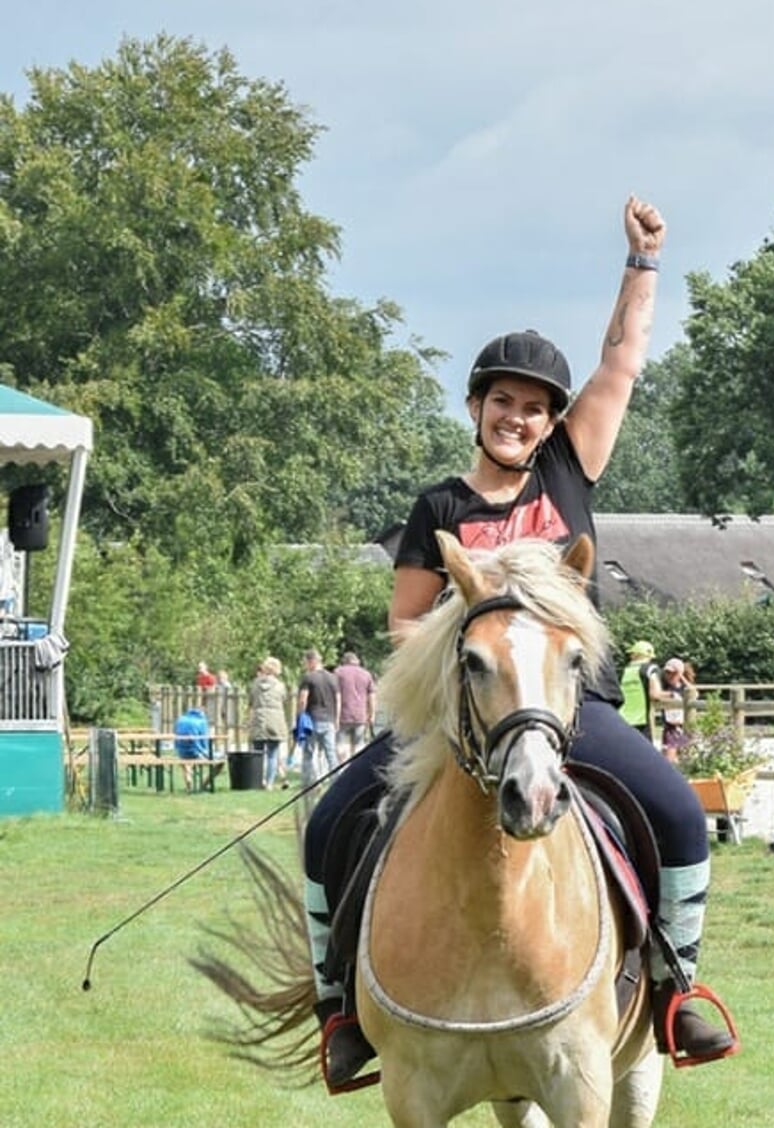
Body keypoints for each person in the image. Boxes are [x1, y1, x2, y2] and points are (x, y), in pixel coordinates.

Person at [300, 196, 733, 1090]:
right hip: (465, 707)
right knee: (330, 822)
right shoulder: (438, 510)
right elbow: (404, 626)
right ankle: (340, 1005)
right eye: (504, 401)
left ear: (549, 421)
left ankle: (675, 988)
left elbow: (622, 361)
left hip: (572, 705)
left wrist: (643, 263)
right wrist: (473, 646)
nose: (519, 419)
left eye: (535, 408)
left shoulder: (572, 466)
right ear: (476, 406)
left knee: (683, 815)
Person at [294, 649, 339, 783]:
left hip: (312, 719)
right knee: (331, 753)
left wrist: (299, 715)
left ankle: (308, 781)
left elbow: (303, 699)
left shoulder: (308, 678)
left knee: (308, 753)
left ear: (311, 661)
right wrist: (336, 718)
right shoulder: (332, 678)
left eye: (306, 662)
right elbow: (338, 699)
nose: (305, 665)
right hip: (329, 720)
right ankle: (335, 780)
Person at [247, 657, 290, 788]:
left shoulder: (255, 684)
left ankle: (258, 781)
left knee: (258, 753)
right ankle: (270, 783)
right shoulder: (280, 685)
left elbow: (251, 701)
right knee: (272, 753)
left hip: (259, 719)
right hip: (274, 720)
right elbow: (283, 699)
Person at [332, 651, 377, 757]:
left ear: (344, 661)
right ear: (357, 661)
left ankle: (342, 768)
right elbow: (372, 696)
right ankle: (354, 767)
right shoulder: (366, 674)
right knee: (359, 745)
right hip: (361, 716)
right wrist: (372, 714)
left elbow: (334, 693)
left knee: (341, 744)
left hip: (343, 715)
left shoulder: (338, 672)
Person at [619, 639, 663, 739]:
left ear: (634, 655)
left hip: (623, 719)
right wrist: (672, 695)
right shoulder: (651, 669)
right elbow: (655, 694)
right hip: (642, 720)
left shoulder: (624, 671)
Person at [658, 657, 696, 753]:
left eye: (673, 673)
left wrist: (681, 676)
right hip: (670, 727)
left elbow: (694, 693)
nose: (669, 676)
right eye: (667, 673)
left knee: (684, 756)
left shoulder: (684, 688)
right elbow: (656, 694)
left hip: (683, 726)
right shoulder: (664, 686)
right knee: (669, 757)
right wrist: (671, 694)